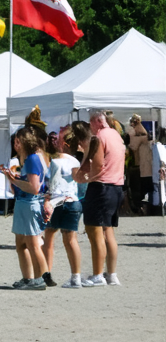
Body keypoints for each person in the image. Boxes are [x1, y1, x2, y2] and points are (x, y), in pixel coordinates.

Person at [76, 110, 125, 286]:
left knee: (94, 231)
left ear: (97, 121)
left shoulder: (99, 138)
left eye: (91, 122)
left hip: (101, 187)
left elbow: (97, 165)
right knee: (108, 231)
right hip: (117, 187)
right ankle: (111, 274)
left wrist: (87, 177)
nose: (89, 126)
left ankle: (97, 275)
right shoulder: (116, 135)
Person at [2, 127, 52, 290]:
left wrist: (13, 180)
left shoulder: (32, 159)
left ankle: (40, 279)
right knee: (21, 244)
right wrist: (14, 179)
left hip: (30, 204)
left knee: (33, 244)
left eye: (17, 141)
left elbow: (34, 187)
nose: (15, 144)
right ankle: (28, 278)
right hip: (24, 204)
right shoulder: (28, 159)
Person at [42, 129, 86, 288]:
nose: (55, 141)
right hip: (73, 201)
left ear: (65, 144)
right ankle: (76, 277)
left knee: (49, 237)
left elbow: (49, 183)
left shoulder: (53, 161)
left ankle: (46, 273)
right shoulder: (76, 161)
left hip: (56, 202)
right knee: (71, 240)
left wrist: (46, 199)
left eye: (59, 140)